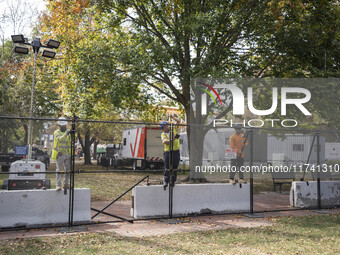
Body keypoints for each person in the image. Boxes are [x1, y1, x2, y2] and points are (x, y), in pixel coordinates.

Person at [160, 115, 181, 190]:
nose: (166, 128)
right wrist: (174, 138)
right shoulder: (163, 134)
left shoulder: (174, 128)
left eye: (166, 126)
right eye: (164, 127)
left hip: (175, 151)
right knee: (167, 167)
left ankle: (173, 181)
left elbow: (178, 121)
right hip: (168, 152)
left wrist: (173, 118)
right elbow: (166, 142)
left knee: (175, 167)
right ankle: (166, 181)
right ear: (163, 128)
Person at [51, 117, 71, 191]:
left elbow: (70, 142)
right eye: (62, 125)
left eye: (64, 125)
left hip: (67, 154)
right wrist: (66, 134)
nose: (63, 126)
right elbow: (59, 139)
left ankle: (66, 184)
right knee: (59, 170)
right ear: (59, 125)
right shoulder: (56, 132)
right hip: (59, 154)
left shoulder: (68, 132)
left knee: (67, 170)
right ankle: (58, 185)